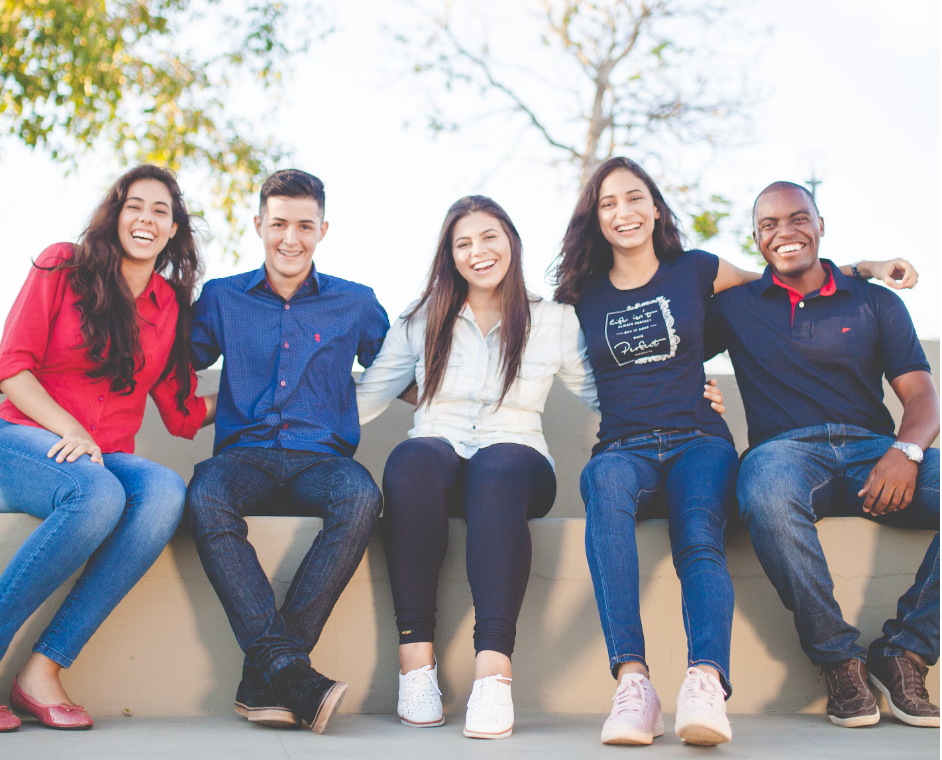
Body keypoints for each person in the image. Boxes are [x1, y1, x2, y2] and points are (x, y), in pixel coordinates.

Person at [550, 157, 914, 747]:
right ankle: (633, 684)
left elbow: (785, 277)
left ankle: (705, 682)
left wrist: (864, 267)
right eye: (609, 203)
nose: (625, 212)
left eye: (636, 197)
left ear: (656, 207)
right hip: (622, 446)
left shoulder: (697, 270)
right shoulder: (578, 295)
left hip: (699, 440)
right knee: (605, 495)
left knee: (698, 535)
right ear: (594, 217)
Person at [354, 195, 729, 740]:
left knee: (498, 470)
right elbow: (367, 397)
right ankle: (416, 666)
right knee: (409, 461)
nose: (478, 251)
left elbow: (610, 392)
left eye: (489, 237)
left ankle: (493, 673)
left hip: (517, 460)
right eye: (463, 243)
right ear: (449, 255)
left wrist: (683, 396)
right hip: (437, 452)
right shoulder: (422, 317)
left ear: (511, 243)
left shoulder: (553, 320)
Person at [707, 181, 939, 729]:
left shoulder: (875, 300)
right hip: (783, 455)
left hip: (876, 454)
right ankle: (839, 661)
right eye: (769, 225)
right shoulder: (735, 307)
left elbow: (922, 395)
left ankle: (905, 651)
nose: (784, 232)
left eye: (797, 219)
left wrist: (906, 451)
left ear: (820, 224)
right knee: (762, 489)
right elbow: (674, 296)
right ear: (756, 239)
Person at [0, 165, 215, 733]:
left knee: (165, 491)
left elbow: (181, 410)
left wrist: (267, 393)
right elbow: (12, 369)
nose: (146, 218)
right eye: (135, 206)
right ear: (116, 214)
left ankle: (42, 671)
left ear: (173, 230)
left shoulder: (170, 304)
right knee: (97, 495)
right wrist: (70, 429)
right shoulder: (62, 264)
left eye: (160, 211)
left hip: (102, 454)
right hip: (22, 436)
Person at [185, 169, 389, 735]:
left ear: (324, 229)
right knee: (204, 494)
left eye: (304, 225)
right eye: (278, 224)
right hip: (242, 457)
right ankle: (291, 674)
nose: (290, 239)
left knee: (361, 496)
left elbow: (406, 366)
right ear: (259, 225)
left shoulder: (356, 302)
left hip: (322, 460)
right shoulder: (223, 297)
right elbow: (174, 361)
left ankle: (269, 675)